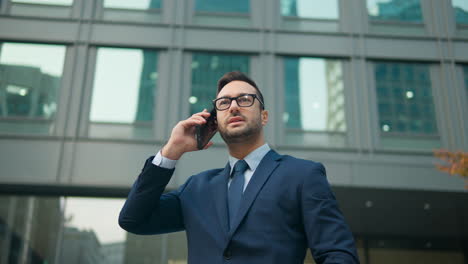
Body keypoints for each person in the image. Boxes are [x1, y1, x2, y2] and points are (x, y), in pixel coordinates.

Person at [119, 71, 360, 264]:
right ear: (215, 121)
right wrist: (171, 151)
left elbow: (337, 253)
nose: (233, 106)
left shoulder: (302, 175)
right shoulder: (197, 188)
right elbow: (133, 220)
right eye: (224, 103)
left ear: (263, 116)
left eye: (244, 99)